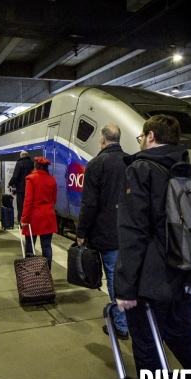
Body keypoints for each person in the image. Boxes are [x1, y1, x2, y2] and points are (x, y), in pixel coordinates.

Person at [114, 115, 191, 379]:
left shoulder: (139, 170)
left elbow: (133, 232)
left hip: (153, 282)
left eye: (142, 137)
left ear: (150, 136)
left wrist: (125, 287)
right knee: (182, 332)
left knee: (148, 343)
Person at [76, 124, 129, 340]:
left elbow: (89, 204)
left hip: (109, 235)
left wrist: (81, 232)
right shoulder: (131, 161)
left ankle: (121, 325)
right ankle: (130, 321)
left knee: (115, 280)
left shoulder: (96, 164)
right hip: (131, 232)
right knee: (128, 278)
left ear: (102, 140)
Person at [20, 156, 57, 269]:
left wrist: (24, 218)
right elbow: (54, 199)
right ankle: (47, 272)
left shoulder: (31, 178)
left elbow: (28, 200)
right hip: (48, 216)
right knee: (46, 246)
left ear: (36, 165)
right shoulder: (52, 179)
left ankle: (31, 272)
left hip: (33, 217)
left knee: (30, 244)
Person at [8, 151, 34, 221]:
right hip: (31, 188)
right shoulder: (33, 163)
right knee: (30, 205)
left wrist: (10, 183)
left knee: (20, 206)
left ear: (21, 156)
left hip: (21, 189)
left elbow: (15, 176)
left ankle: (21, 221)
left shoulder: (19, 163)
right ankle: (29, 221)